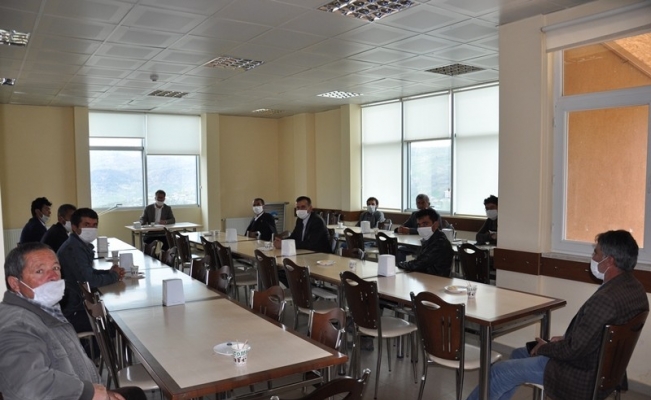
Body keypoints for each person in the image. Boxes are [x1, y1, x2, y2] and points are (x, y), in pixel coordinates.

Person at [465, 230, 649, 400]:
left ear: (609, 261)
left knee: (498, 371)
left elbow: (573, 350)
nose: (593, 257)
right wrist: (567, 339)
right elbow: (595, 335)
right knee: (517, 354)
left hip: (578, 374)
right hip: (604, 369)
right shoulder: (635, 290)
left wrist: (545, 348)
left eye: (596, 252)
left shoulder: (606, 299)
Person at [0, 243, 146, 400]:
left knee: (135, 394)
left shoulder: (44, 309)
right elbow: (28, 386)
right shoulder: (17, 326)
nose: (53, 277)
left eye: (56, 268)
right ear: (15, 283)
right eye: (40, 271)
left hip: (84, 393)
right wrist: (89, 392)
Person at [58, 208, 125, 335]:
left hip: (79, 303)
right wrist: (114, 276)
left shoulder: (79, 244)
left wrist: (108, 272)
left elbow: (88, 272)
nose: (91, 229)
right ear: (74, 227)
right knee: (117, 325)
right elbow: (90, 281)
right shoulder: (74, 249)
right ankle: (99, 348)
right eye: (87, 225)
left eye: (94, 225)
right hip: (74, 311)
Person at [396, 208, 454, 277]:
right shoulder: (429, 239)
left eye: (425, 224)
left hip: (436, 279)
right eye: (419, 225)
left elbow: (418, 264)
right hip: (425, 277)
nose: (421, 228)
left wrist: (399, 264)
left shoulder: (439, 243)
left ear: (435, 224)